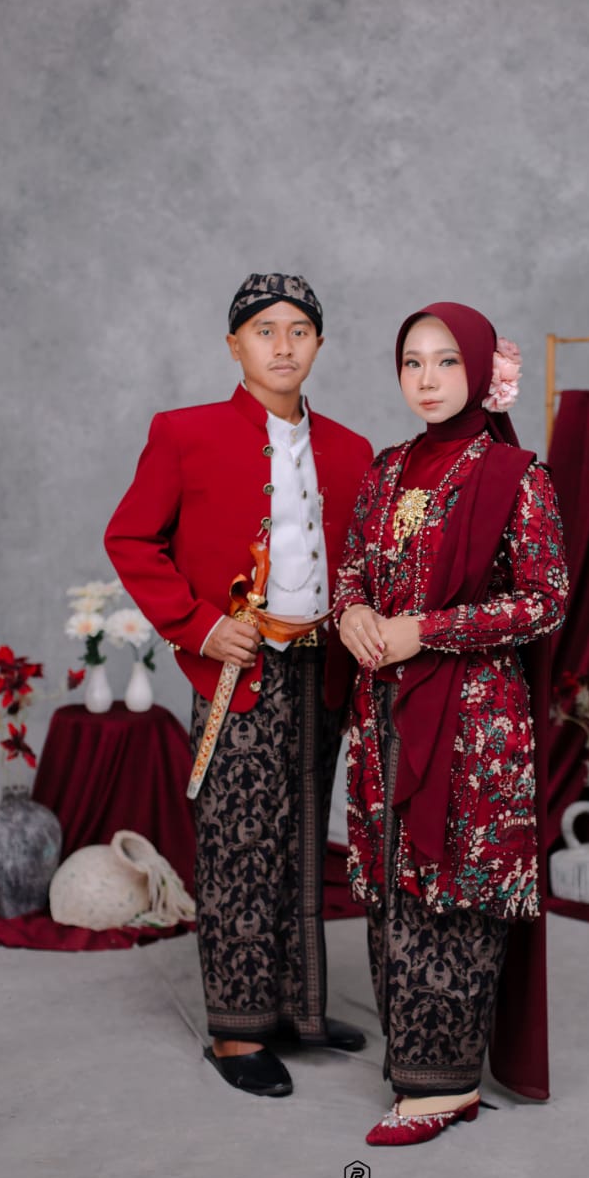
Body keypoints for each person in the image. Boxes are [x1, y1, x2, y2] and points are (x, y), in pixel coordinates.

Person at [105, 273, 373, 1098]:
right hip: (239, 671)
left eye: (299, 330)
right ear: (234, 345)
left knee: (302, 843)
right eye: (264, 330)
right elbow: (130, 538)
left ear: (318, 343)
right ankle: (235, 1030)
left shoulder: (352, 448)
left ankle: (295, 1011)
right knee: (238, 846)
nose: (282, 345)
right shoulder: (183, 433)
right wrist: (197, 625)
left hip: (320, 670)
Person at [334, 301, 569, 1145]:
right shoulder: (385, 469)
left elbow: (545, 600)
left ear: (479, 371)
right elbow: (351, 570)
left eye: (445, 362)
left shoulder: (516, 476)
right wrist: (353, 614)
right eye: (411, 362)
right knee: (392, 884)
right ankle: (414, 1065)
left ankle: (445, 1087)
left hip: (474, 726)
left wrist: (425, 631)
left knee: (454, 888)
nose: (426, 379)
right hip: (383, 716)